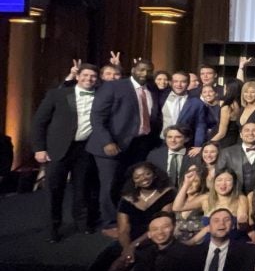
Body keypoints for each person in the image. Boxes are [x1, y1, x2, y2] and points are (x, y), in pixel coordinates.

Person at [87, 59, 162, 229]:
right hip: (112, 145)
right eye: (141, 70)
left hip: (139, 145)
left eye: (149, 71)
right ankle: (110, 222)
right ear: (133, 69)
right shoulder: (114, 86)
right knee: (110, 185)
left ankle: (127, 218)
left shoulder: (151, 89)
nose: (144, 74)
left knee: (130, 184)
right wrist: (107, 141)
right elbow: (97, 117)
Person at [32, 62, 101, 242]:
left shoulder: (101, 96)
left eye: (93, 76)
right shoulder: (58, 94)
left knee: (82, 189)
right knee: (54, 190)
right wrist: (39, 148)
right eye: (85, 75)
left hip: (85, 149)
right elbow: (39, 122)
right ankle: (53, 228)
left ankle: (82, 223)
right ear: (77, 76)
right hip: (58, 148)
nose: (89, 79)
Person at [217, 121, 255, 194]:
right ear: (241, 134)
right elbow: (219, 176)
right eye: (247, 130)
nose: (250, 133)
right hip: (235, 195)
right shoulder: (226, 152)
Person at [146, 125, 190, 189]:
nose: (173, 140)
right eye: (169, 137)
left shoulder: (194, 156)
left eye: (178, 137)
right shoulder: (154, 155)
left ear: (186, 139)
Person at [209, 79, 242, 148]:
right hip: (234, 141)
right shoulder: (240, 106)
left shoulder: (227, 107)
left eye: (224, 88)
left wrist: (207, 145)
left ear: (228, 90)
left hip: (223, 143)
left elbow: (221, 133)